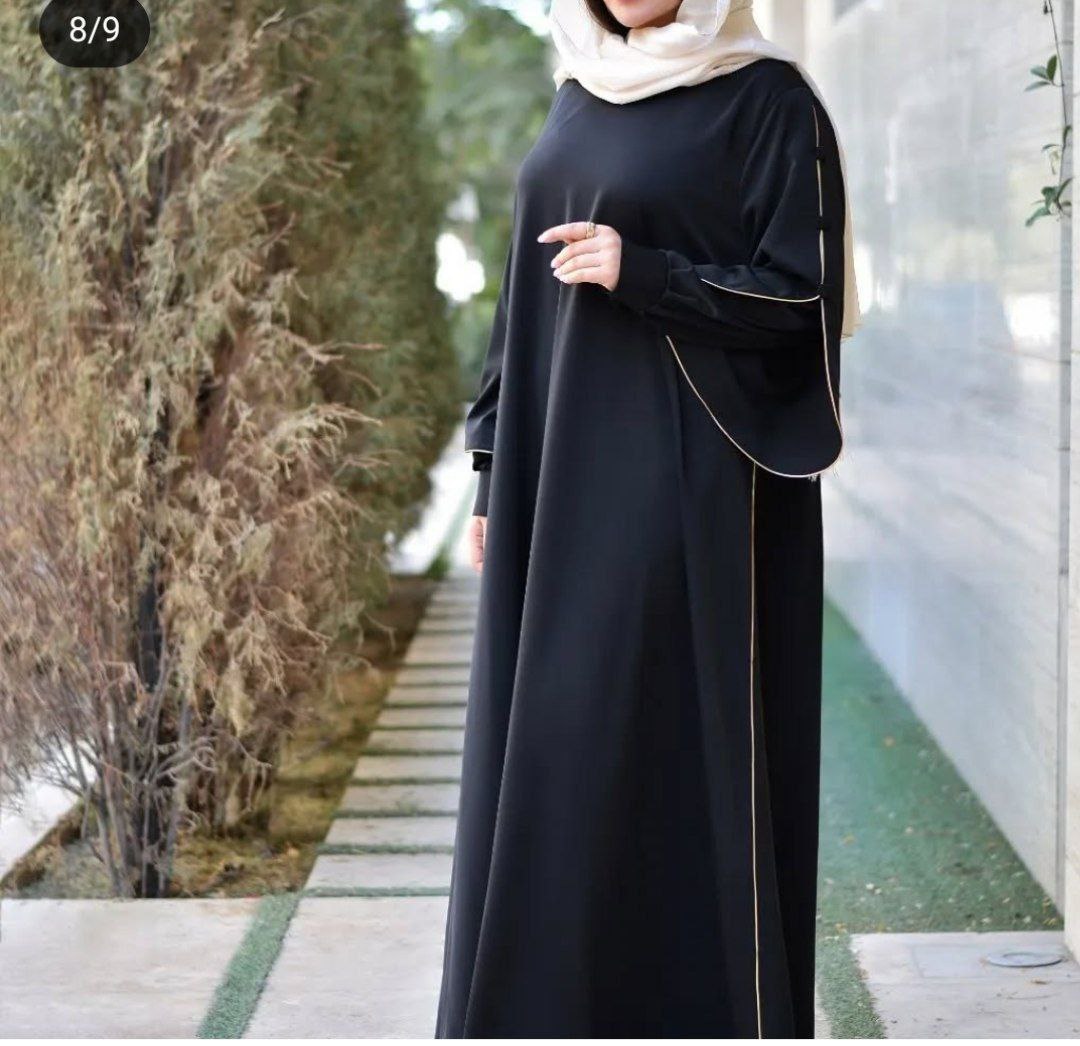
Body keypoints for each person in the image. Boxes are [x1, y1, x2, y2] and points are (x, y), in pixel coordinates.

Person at [437, 0, 859, 1036]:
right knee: (549, 748)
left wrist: (648, 272)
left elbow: (799, 299)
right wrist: (493, 466)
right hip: (554, 469)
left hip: (683, 478)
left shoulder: (767, 99)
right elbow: (520, 296)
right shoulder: (579, 85)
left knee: (645, 738)